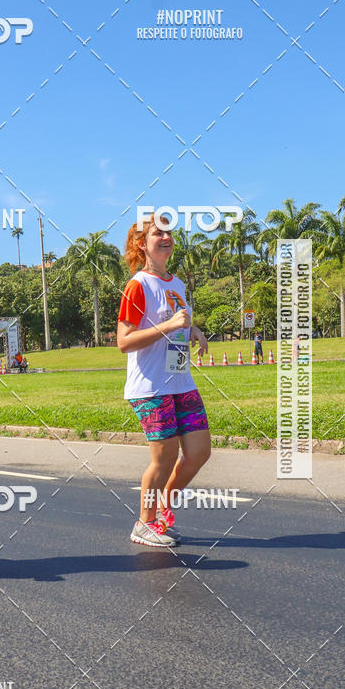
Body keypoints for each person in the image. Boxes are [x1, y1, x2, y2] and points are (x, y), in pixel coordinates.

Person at [117, 216, 211, 547]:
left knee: (200, 452)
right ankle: (145, 524)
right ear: (142, 244)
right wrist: (169, 325)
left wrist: (192, 330)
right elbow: (124, 341)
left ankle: (162, 504)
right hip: (151, 387)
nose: (167, 237)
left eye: (169, 232)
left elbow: (177, 321)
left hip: (181, 382)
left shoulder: (177, 284)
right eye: (158, 233)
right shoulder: (137, 285)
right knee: (165, 456)